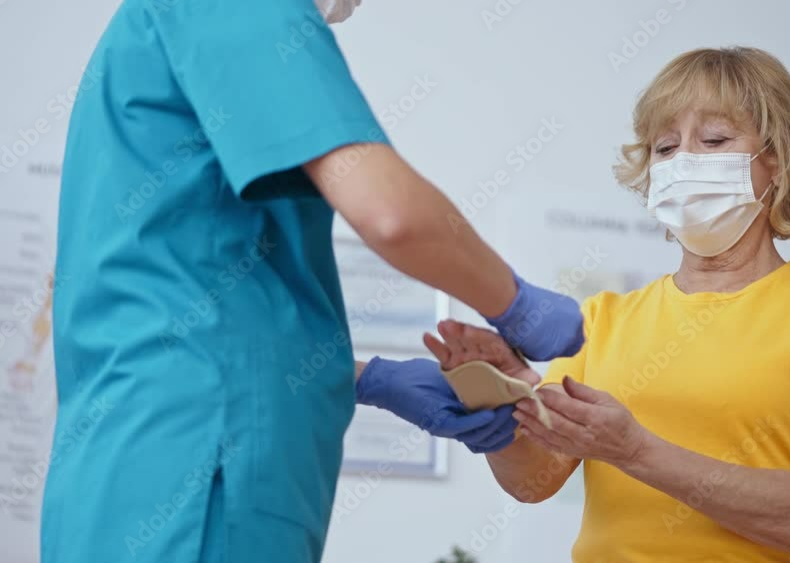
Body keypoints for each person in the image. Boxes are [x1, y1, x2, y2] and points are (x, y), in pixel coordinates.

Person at [42, 1, 583, 562]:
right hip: (195, 475)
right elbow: (390, 213)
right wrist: (515, 302)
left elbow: (191, 313)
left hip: (145, 472)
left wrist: (368, 379)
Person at [422, 47, 790, 562]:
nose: (683, 163)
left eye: (715, 139)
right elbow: (534, 480)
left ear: (778, 159)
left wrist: (634, 450)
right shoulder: (601, 319)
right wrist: (500, 400)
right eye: (665, 147)